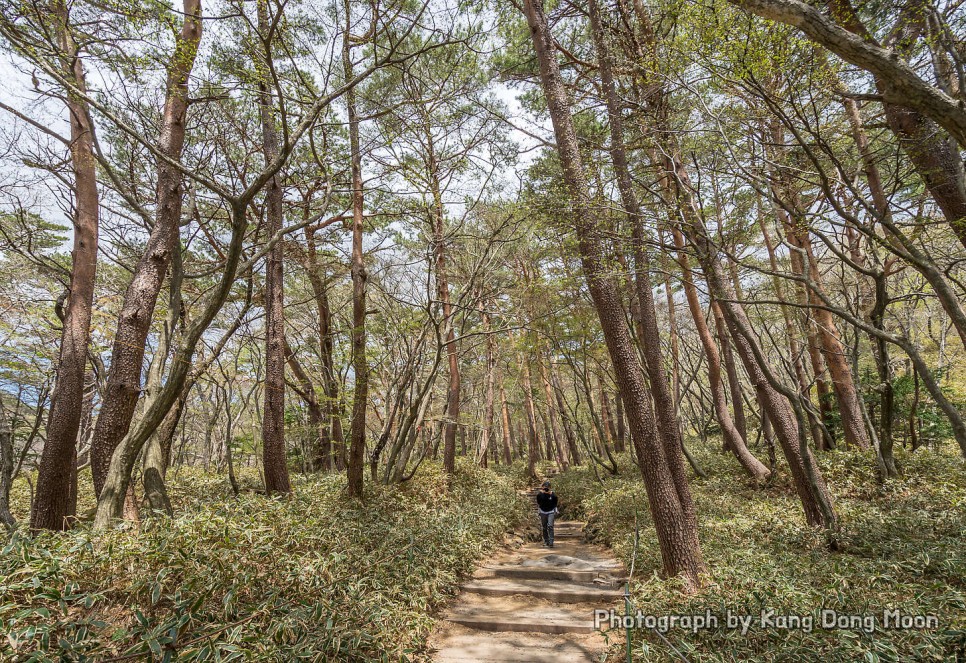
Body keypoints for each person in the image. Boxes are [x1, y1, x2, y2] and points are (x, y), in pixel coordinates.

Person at [536, 480, 559, 548]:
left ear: (550, 487)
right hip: (543, 512)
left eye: (547, 487)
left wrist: (550, 494)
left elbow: (555, 502)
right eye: (545, 487)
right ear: (542, 487)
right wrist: (543, 494)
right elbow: (538, 502)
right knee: (544, 527)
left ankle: (551, 541)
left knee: (550, 526)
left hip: (551, 511)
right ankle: (546, 541)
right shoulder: (540, 494)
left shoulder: (553, 494)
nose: (546, 488)